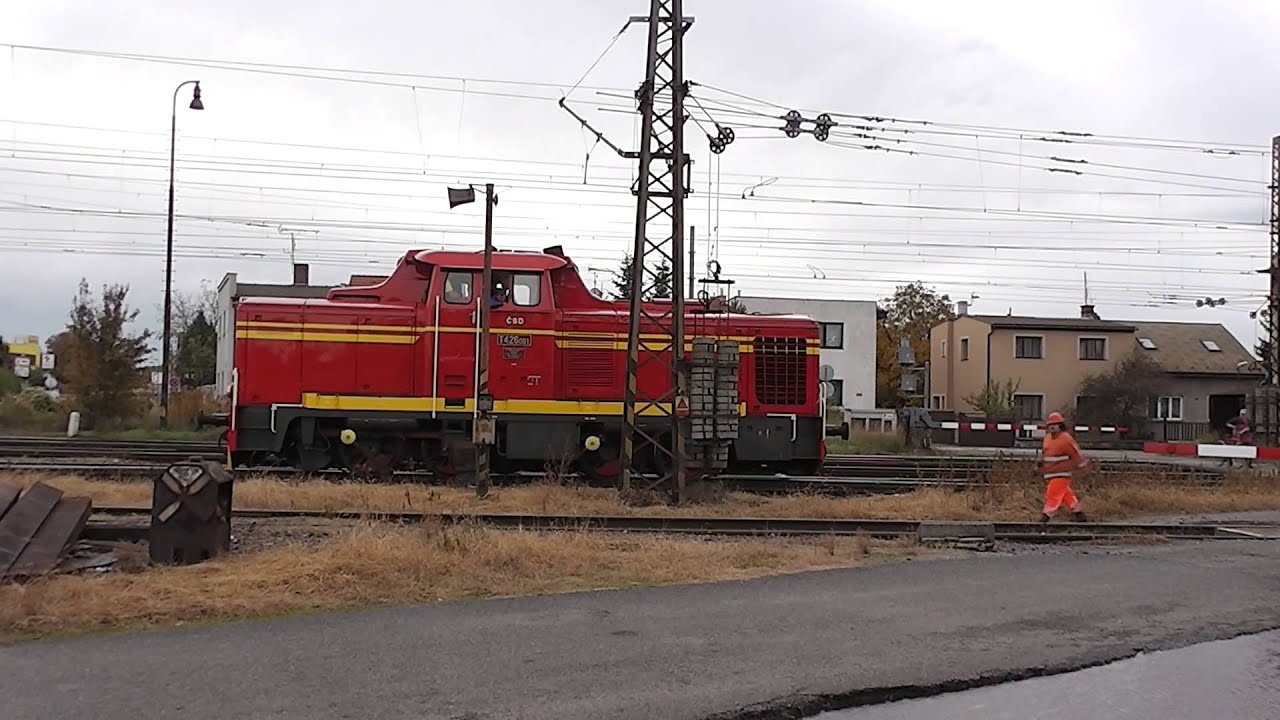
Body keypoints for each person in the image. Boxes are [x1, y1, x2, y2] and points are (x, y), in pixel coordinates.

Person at [1039, 411, 1090, 523]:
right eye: (1050, 425)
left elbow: (1075, 453)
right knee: (1066, 495)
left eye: (1055, 424)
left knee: (1053, 496)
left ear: (1060, 426)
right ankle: (1079, 514)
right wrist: (1039, 466)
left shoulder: (1066, 439)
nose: (1052, 427)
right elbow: (1044, 454)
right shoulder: (1047, 438)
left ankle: (1045, 517)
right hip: (1050, 473)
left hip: (1062, 473)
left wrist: (1083, 465)